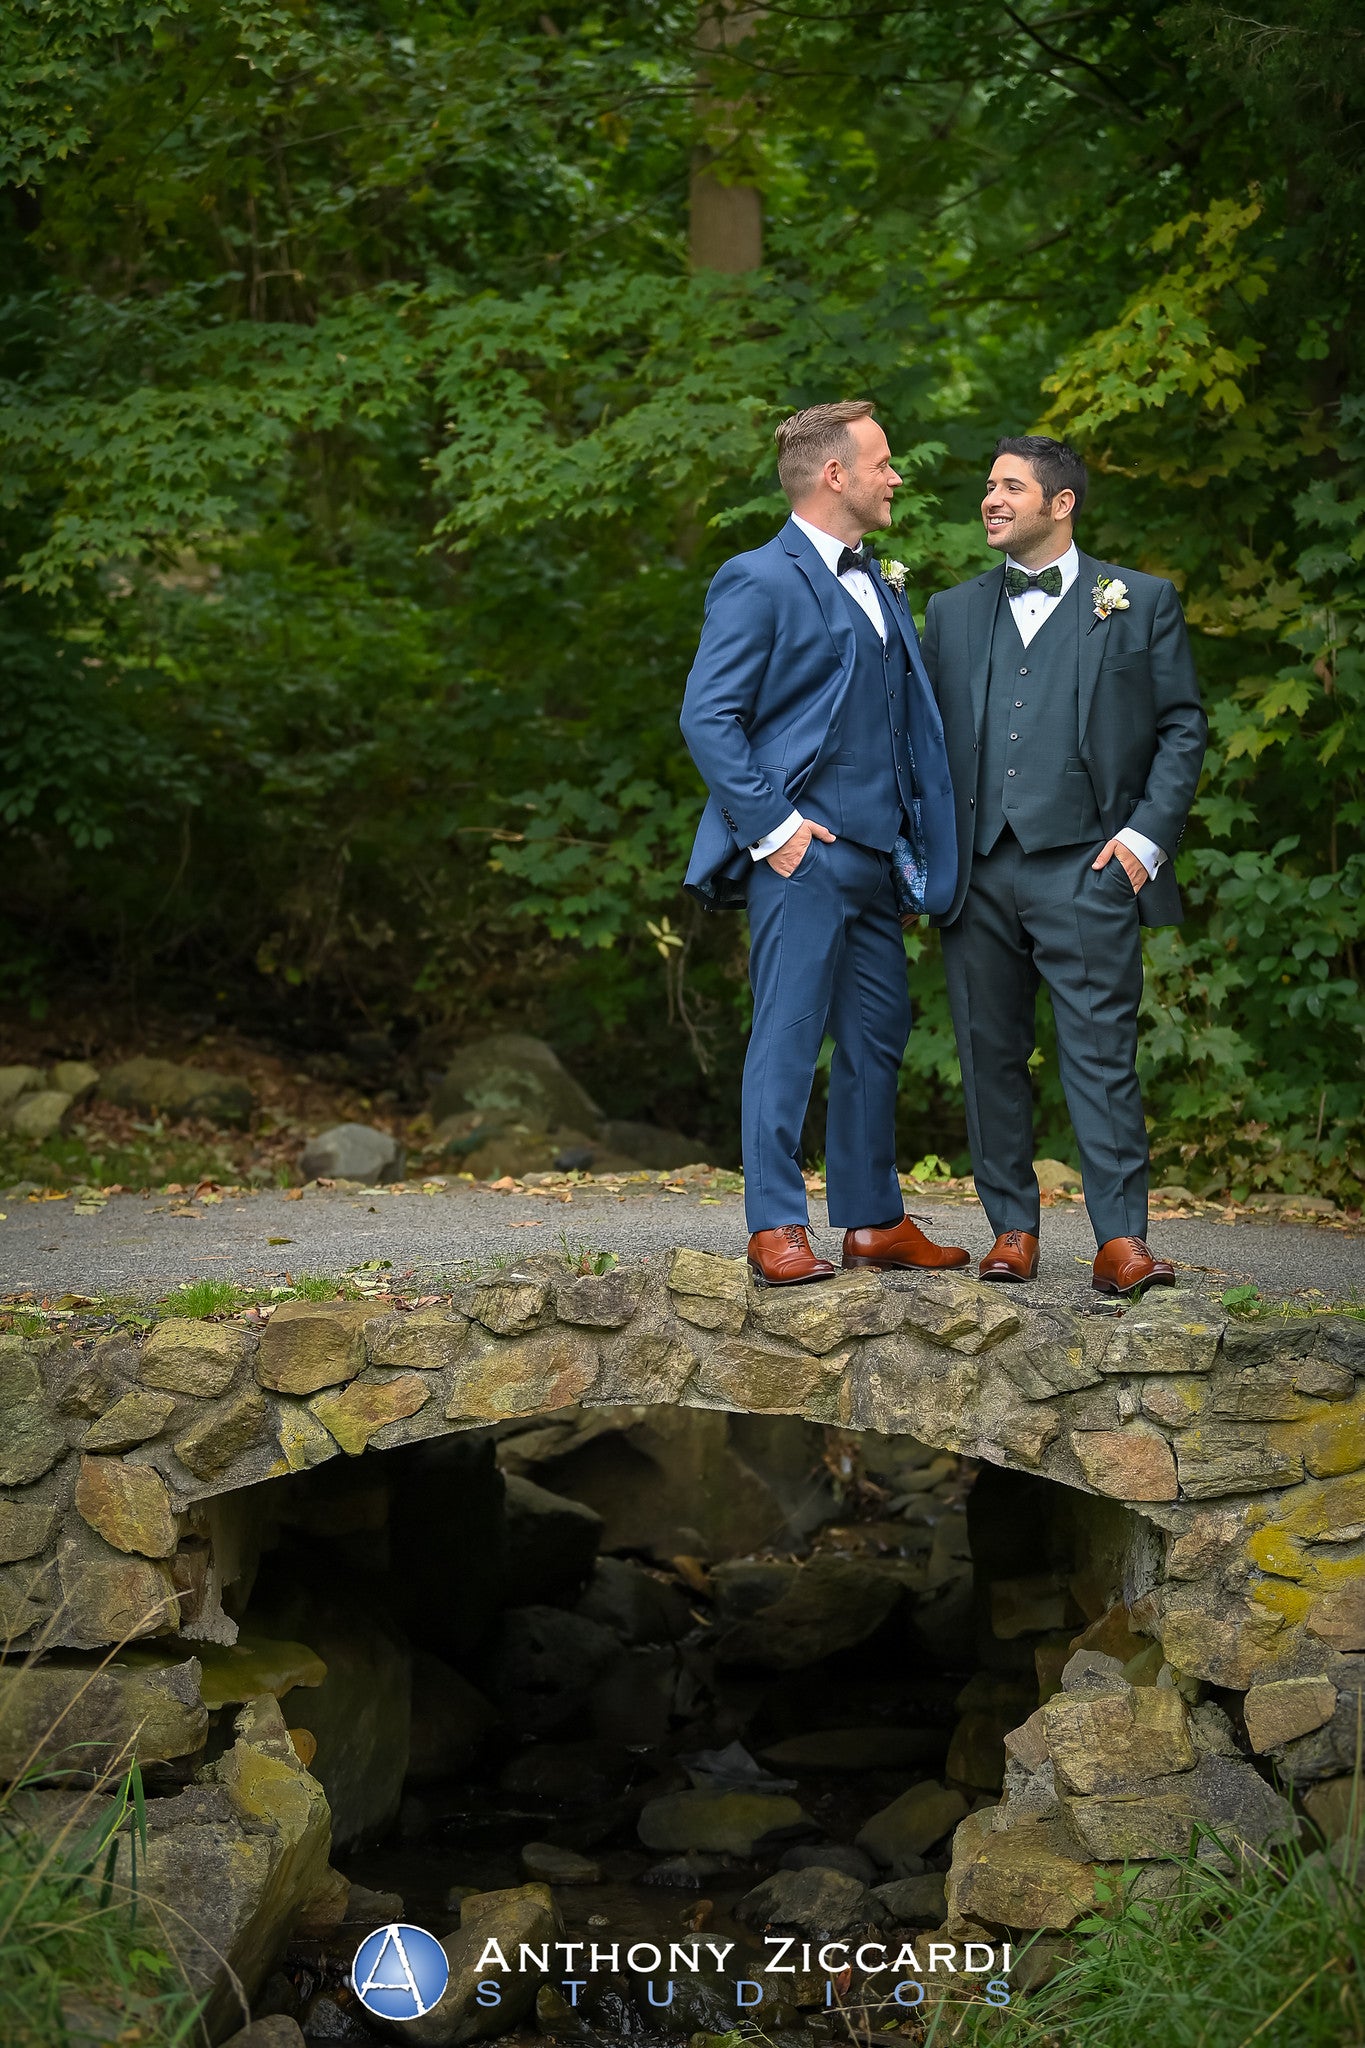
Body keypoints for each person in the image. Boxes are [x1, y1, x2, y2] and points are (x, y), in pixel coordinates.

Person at [680, 401, 968, 1285]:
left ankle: (873, 1222)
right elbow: (708, 716)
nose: (895, 476)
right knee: (788, 1034)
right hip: (800, 854)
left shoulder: (879, 579)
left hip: (879, 859)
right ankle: (774, 1225)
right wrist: (774, 830)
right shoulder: (756, 577)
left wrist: (911, 846)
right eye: (882, 462)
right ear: (834, 474)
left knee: (878, 1037)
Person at [921, 434, 1207, 1295]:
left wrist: (1143, 842)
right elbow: (921, 740)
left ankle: (1120, 1241)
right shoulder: (950, 612)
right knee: (988, 1057)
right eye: (987, 484)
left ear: (1060, 502)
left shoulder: (1139, 601)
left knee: (1100, 1055)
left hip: (1088, 867)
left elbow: (1181, 727)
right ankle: (1011, 1230)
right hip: (977, 872)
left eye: (1009, 486)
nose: (990, 498)